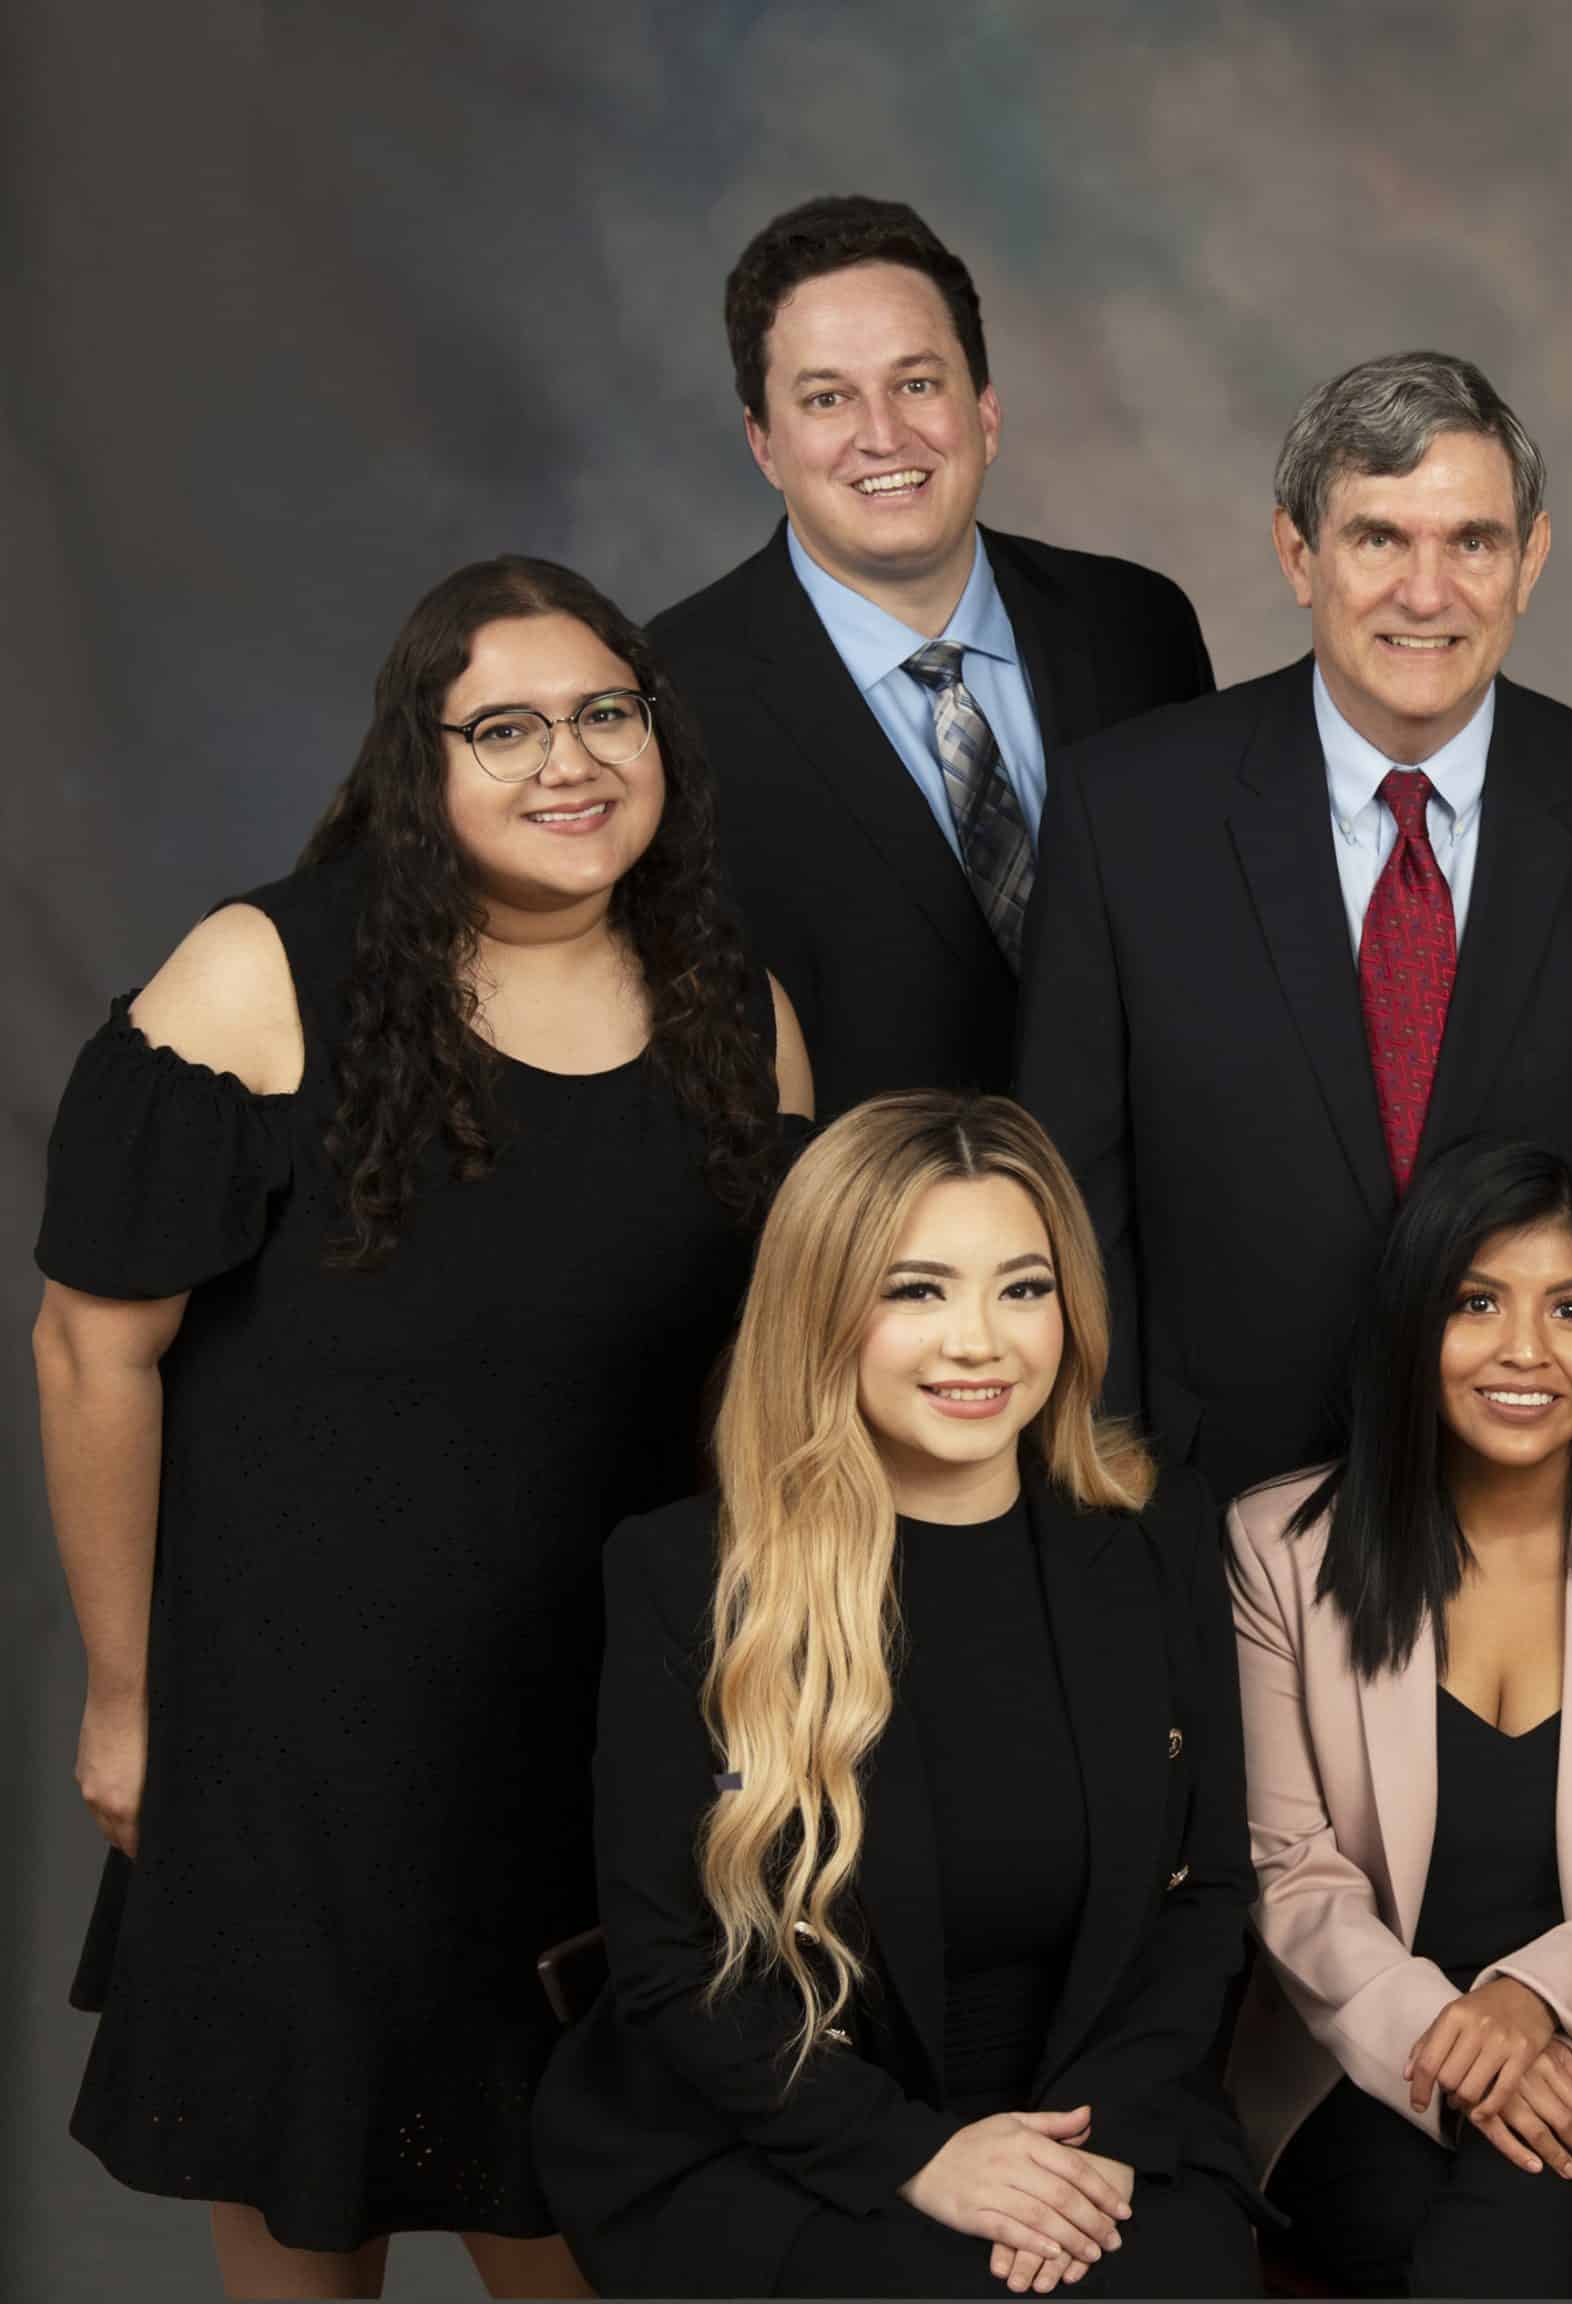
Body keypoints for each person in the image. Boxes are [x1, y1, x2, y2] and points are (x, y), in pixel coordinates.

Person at [31, 557, 811, 2298]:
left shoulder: (736, 1013)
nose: (571, 759)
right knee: (316, 2232)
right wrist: (123, 1692)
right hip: (293, 1748)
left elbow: (765, 1402)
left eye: (608, 712)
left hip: (589, 1746)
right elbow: (91, 1348)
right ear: (421, 759)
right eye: (507, 726)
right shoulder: (261, 974)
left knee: (582, 2224)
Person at [531, 1094, 1262, 2299]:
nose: (978, 1342)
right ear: (824, 1313)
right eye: (916, 1290)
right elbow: (670, 1963)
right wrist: (916, 2157)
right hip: (786, 2138)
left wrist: (1081, 2153)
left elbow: (1210, 1892)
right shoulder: (689, 1574)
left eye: (1022, 1289)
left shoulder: (1154, 1534)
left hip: (1100, 2123)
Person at [1020, 350, 1572, 1503]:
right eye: (1378, 539)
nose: (1428, 593)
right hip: (1204, 1513)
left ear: (1532, 560)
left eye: (1473, 541)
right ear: (1297, 553)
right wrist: (1107, 1512)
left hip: (1548, 1531)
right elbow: (1072, 1214)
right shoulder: (1128, 815)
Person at [1224, 1141, 1572, 2296]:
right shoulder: (1281, 1550)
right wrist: (1456, 2037)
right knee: (1468, 2190)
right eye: (1477, 1302)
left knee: (1526, 2176)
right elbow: (1293, 1872)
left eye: (1571, 1308)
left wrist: (1535, 2003)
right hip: (1372, 2050)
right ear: (1412, 1323)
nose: (1526, 1351)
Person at [655, 194, 1215, 1113]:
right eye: (827, 397)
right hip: (860, 1246)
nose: (884, 434)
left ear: (985, 412)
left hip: (1146, 1239)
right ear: (764, 443)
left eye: (918, 383)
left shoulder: (1139, 627)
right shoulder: (668, 697)